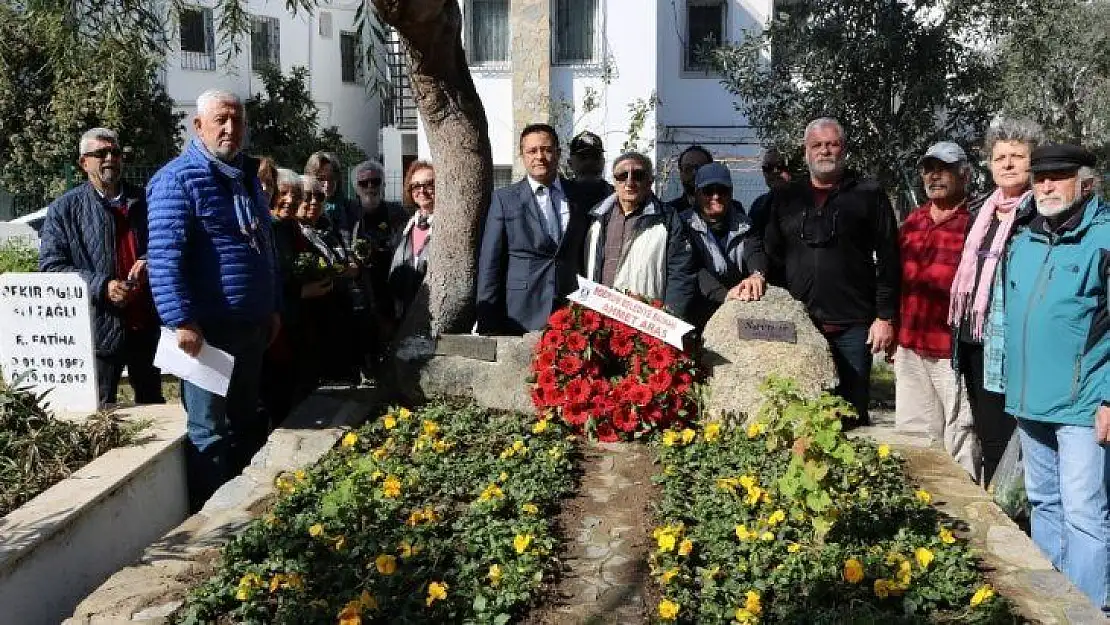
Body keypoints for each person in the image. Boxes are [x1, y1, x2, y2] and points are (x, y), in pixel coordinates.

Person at [147, 89, 280, 511]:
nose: (230, 128)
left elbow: (263, 248)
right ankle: (212, 523)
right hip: (206, 333)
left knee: (245, 421)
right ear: (198, 126)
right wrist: (180, 319)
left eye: (237, 120)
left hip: (250, 327)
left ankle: (247, 510)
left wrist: (271, 305)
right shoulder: (177, 179)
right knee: (209, 431)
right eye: (220, 120)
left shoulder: (245, 176)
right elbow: (165, 259)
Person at [1002, 144, 1108, 611]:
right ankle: (1050, 607)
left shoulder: (1103, 238)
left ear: (1084, 182)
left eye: (1058, 176)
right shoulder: (1025, 237)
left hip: (1084, 405)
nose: (1046, 186)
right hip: (1030, 402)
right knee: (1044, 504)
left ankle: (1087, 611)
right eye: (1039, 177)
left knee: (1085, 512)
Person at [751, 117, 899, 425]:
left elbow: (888, 258)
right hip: (801, 324)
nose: (825, 151)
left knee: (851, 416)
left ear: (843, 149)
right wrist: (758, 275)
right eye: (817, 145)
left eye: (832, 144)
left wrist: (885, 317)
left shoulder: (869, 194)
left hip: (854, 327)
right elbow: (770, 250)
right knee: (798, 415)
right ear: (806, 152)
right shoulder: (787, 197)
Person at [38, 127, 165, 407]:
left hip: (147, 323)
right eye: (101, 153)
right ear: (84, 163)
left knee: (155, 408)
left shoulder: (147, 201)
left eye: (115, 152)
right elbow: (51, 267)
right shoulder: (65, 209)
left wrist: (149, 260)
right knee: (99, 409)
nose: (110, 158)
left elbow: (168, 244)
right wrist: (102, 286)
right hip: (100, 329)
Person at [949, 117, 1044, 485]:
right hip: (975, 340)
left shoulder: (1039, 214)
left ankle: (1022, 520)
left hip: (1015, 344)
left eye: (1017, 156)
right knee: (990, 436)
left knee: (1016, 439)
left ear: (1032, 164)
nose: (1006, 164)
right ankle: (999, 513)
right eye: (999, 156)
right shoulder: (980, 211)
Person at [893, 141, 979, 480]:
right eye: (929, 169)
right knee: (914, 439)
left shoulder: (975, 224)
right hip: (911, 346)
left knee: (960, 438)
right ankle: (921, 517)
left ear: (964, 174)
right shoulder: (912, 223)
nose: (935, 176)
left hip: (953, 352)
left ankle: (967, 524)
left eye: (944, 168)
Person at [476, 124, 591, 335]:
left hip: (572, 311)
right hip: (521, 314)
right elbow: (490, 265)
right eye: (532, 151)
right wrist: (488, 322)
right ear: (522, 155)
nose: (540, 156)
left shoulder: (580, 196)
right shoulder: (504, 200)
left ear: (558, 152)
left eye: (546, 149)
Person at [583, 152, 696, 318]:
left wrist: (669, 320)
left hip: (645, 324)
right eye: (622, 175)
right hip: (600, 319)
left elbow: (681, 275)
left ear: (650, 181)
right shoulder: (595, 217)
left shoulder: (668, 220)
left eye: (638, 175)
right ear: (614, 181)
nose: (629, 182)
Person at [680, 161, 767, 330]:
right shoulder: (682, 225)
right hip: (698, 310)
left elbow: (755, 251)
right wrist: (726, 295)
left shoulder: (746, 225)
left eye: (722, 190)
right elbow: (691, 268)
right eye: (708, 191)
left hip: (739, 308)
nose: (716, 196)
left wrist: (757, 275)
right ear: (697, 194)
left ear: (731, 192)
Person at [350, 160, 408, 344]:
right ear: (356, 188)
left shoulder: (397, 212)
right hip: (360, 292)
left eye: (375, 181)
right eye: (363, 183)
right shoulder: (350, 214)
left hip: (391, 290)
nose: (369, 187)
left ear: (383, 184)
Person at [390, 161, 436, 321]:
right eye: (416, 186)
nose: (422, 190)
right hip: (403, 315)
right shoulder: (404, 228)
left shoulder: (449, 228)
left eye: (429, 184)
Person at [305, 151, 358, 239]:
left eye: (332, 178)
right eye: (321, 179)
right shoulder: (302, 210)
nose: (327, 185)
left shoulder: (350, 208)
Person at [748, 147, 792, 236]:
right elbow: (752, 241)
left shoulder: (807, 203)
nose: (774, 172)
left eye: (780, 166)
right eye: (768, 168)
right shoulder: (759, 206)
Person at [567, 130, 614, 211]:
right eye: (583, 157)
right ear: (570, 163)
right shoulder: (559, 197)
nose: (589, 162)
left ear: (603, 161)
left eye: (595, 157)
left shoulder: (617, 198)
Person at [665, 145, 713, 214]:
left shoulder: (730, 211)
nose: (694, 173)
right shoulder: (669, 213)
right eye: (688, 169)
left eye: (700, 168)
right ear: (680, 173)